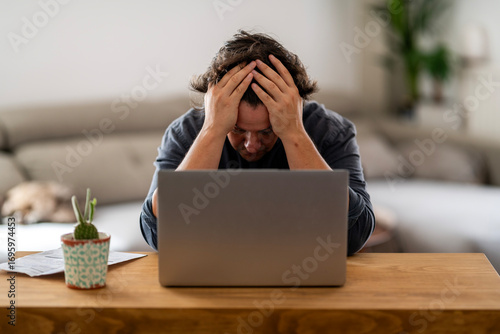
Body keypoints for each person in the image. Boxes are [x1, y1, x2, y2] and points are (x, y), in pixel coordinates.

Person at [140, 30, 375, 255]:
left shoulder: (330, 131)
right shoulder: (186, 132)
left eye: (266, 132)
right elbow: (158, 235)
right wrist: (212, 131)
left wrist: (294, 133)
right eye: (237, 130)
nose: (252, 145)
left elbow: (355, 235)